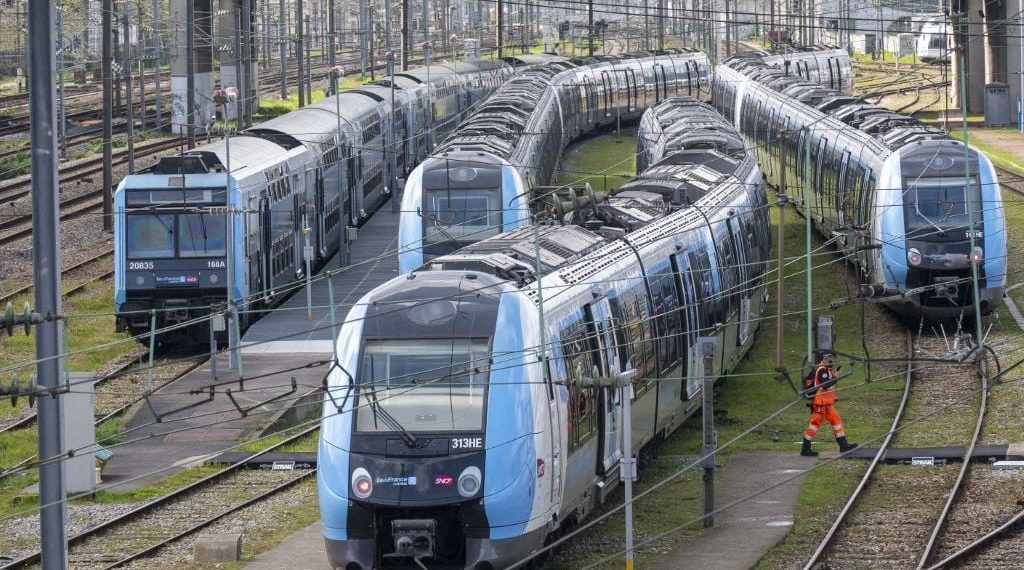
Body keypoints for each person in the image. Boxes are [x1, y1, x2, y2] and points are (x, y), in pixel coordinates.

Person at [801, 353, 857, 457]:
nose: (833, 361)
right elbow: (825, 385)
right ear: (826, 359)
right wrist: (836, 378)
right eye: (832, 359)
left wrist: (835, 376)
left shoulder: (828, 370)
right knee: (814, 425)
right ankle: (805, 449)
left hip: (827, 404)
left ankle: (843, 445)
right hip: (820, 404)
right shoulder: (822, 370)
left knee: (837, 421)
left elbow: (828, 383)